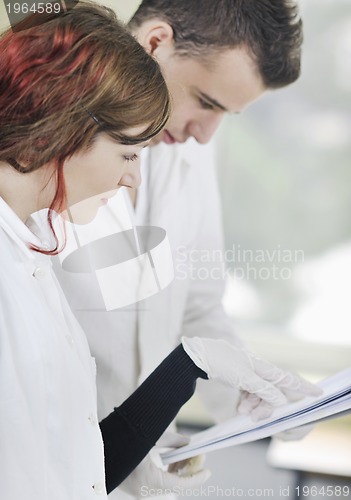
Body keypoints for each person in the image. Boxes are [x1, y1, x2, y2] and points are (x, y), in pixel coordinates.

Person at [1, 3, 321, 498]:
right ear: (155, 44)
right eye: (207, 102)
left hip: (118, 458)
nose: (205, 134)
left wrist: (263, 398)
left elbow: (199, 306)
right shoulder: (35, 222)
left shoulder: (189, 154)